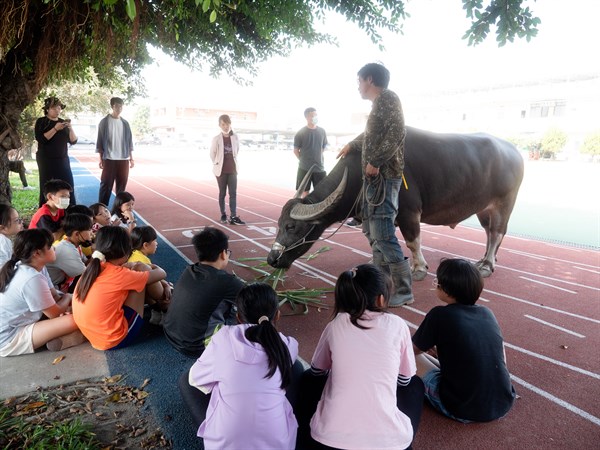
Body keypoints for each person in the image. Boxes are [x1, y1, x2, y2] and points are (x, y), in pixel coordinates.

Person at [296, 264, 423, 450]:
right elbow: (404, 380)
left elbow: (316, 371)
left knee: (308, 379)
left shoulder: (336, 324)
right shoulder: (398, 325)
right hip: (390, 443)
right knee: (415, 384)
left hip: (328, 440)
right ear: (381, 299)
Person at [185, 282, 298, 449]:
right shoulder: (289, 345)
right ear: (278, 316)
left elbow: (195, 379)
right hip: (278, 444)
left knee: (185, 380)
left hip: (225, 444)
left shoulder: (223, 337)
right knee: (295, 370)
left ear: (238, 318)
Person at [337, 63, 413, 307]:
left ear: (369, 79)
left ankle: (404, 288)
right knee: (371, 228)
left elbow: (397, 132)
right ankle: (382, 281)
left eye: (359, 80)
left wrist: (376, 161)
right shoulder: (379, 105)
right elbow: (372, 135)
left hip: (384, 177)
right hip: (374, 179)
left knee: (383, 232)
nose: (358, 86)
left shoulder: (388, 99)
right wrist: (353, 144)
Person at [412, 258, 516, 423]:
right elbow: (498, 356)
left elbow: (411, 351)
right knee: (435, 357)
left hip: (464, 408)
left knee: (409, 358)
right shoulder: (487, 312)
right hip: (503, 402)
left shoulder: (439, 314)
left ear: (444, 289)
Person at [72, 226, 166, 350]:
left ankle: (160, 306)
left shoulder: (93, 267)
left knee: (137, 278)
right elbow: (162, 273)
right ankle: (164, 307)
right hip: (115, 339)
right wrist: (144, 265)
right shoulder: (120, 274)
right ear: (126, 251)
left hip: (94, 336)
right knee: (140, 271)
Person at [0, 229, 85, 357]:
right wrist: (68, 297)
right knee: (74, 319)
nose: (54, 248)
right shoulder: (31, 278)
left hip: (29, 320)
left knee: (74, 308)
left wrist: (67, 302)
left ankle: (59, 335)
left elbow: (55, 297)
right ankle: (75, 336)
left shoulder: (36, 266)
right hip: (10, 337)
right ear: (37, 253)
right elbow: (55, 314)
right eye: (50, 246)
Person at [163, 227, 244, 358]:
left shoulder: (189, 270)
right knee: (240, 314)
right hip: (195, 347)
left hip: (170, 334)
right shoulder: (227, 282)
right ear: (223, 254)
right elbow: (254, 298)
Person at [34, 97, 78, 206]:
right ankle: (46, 210)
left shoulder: (62, 122)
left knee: (68, 184)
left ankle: (69, 210)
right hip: (46, 160)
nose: (57, 110)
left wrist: (71, 128)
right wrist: (55, 129)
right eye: (54, 108)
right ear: (47, 109)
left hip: (62, 159)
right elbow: (41, 139)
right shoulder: (42, 121)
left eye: (59, 108)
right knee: (47, 186)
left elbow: (73, 141)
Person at [128, 225, 173, 325]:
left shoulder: (133, 254)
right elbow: (156, 276)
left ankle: (156, 312)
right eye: (155, 241)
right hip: (138, 296)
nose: (156, 244)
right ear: (145, 245)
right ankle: (165, 310)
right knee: (167, 291)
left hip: (135, 295)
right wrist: (166, 285)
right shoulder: (142, 261)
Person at [96, 97, 134, 206]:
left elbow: (129, 142)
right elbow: (100, 142)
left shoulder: (125, 123)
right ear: (112, 106)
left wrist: (131, 158)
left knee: (121, 188)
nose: (119, 108)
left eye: (121, 106)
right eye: (117, 106)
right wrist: (101, 159)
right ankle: (102, 208)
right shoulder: (104, 122)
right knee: (106, 185)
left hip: (123, 159)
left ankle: (119, 209)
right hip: (109, 159)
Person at [209, 114, 245, 225]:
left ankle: (233, 216)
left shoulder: (235, 137)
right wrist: (217, 163)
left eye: (227, 124)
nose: (225, 126)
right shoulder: (216, 139)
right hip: (221, 171)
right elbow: (212, 154)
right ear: (220, 125)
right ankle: (223, 214)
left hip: (233, 170)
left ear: (230, 124)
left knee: (233, 193)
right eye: (223, 124)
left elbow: (237, 150)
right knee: (222, 193)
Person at [46, 213, 93, 293]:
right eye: (89, 229)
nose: (91, 232)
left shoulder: (74, 244)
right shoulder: (67, 251)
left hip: (62, 284)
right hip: (54, 290)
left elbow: (85, 263)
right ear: (77, 234)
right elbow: (87, 274)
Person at [293, 107, 328, 198]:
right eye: (313, 115)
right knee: (305, 193)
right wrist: (304, 160)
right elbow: (296, 150)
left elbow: (323, 146)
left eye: (316, 115)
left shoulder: (322, 131)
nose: (315, 117)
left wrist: (318, 156)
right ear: (307, 117)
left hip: (319, 168)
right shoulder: (300, 132)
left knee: (321, 192)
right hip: (304, 168)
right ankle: (306, 211)